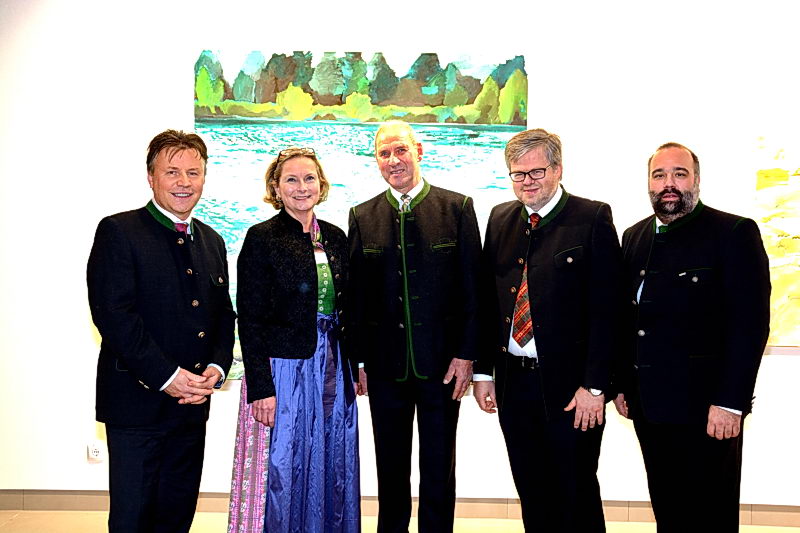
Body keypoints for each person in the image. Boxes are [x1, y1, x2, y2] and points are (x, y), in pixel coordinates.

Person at [613, 142, 771, 532]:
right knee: (668, 511)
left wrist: (731, 403)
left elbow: (750, 325)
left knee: (710, 516)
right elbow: (626, 320)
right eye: (659, 175)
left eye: (679, 174)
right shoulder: (634, 237)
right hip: (649, 409)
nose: (669, 183)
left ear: (696, 180)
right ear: (649, 183)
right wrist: (622, 385)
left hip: (707, 411)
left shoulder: (733, 232)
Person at [473, 128, 622, 531]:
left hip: (572, 390)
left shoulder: (592, 217)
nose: (527, 182)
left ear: (558, 169)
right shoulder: (501, 218)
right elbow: (488, 301)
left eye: (536, 171)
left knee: (575, 493)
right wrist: (483, 372)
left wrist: (595, 387)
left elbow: (608, 311)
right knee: (532, 491)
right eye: (518, 174)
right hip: (513, 383)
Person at [87, 129, 236, 533]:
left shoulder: (212, 240)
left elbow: (224, 316)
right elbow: (114, 316)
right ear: (151, 177)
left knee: (176, 515)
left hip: (192, 408)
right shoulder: (119, 231)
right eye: (172, 172)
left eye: (193, 172)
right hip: (136, 407)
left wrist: (216, 369)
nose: (184, 182)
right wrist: (168, 377)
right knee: (133, 519)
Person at [348, 121, 481, 533]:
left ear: (418, 151)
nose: (393, 160)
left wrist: (466, 355)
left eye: (400, 150)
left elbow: (473, 291)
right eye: (384, 153)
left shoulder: (456, 208)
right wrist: (358, 361)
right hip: (384, 369)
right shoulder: (362, 216)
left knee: (439, 468)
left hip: (443, 367)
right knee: (390, 469)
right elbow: (357, 298)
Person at [229, 147, 360, 533]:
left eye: (309, 178)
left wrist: (358, 365)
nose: (301, 187)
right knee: (286, 463)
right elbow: (249, 318)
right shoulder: (262, 238)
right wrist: (260, 387)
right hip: (285, 369)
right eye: (291, 179)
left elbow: (350, 308)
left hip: (333, 365)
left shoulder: (335, 237)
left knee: (332, 458)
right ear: (276, 187)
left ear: (321, 184)